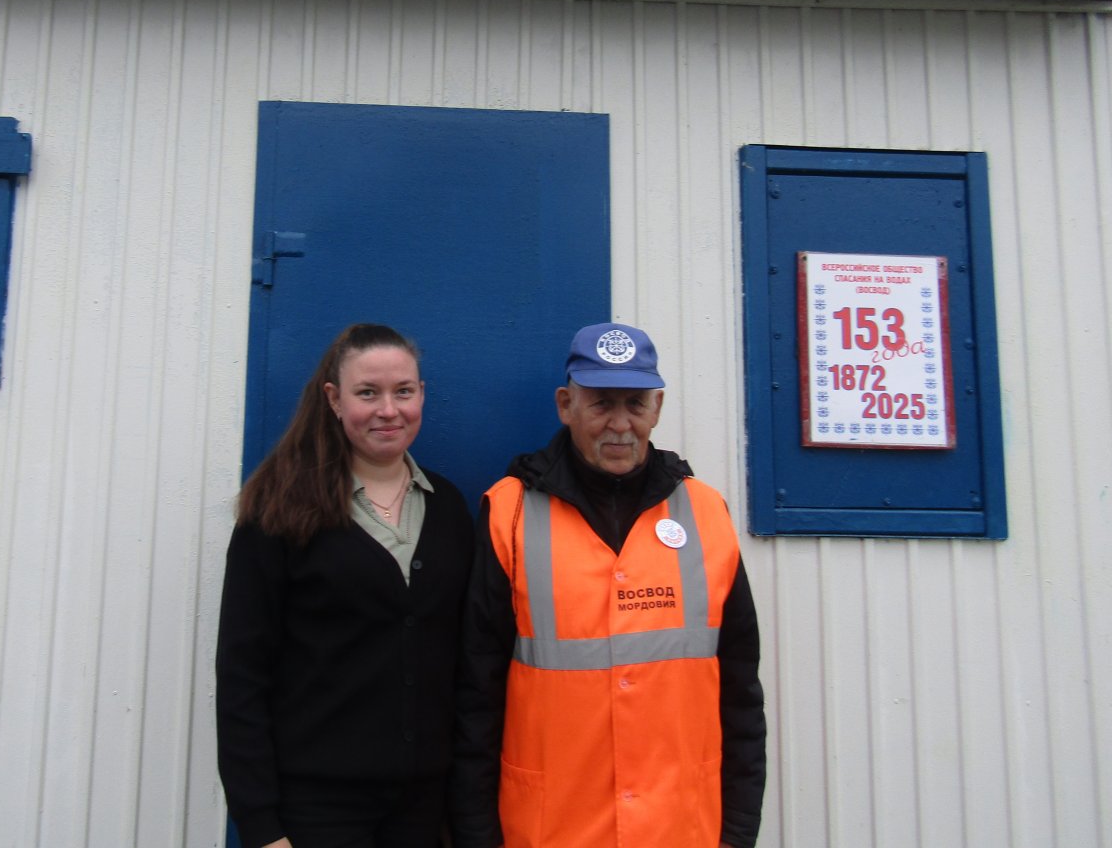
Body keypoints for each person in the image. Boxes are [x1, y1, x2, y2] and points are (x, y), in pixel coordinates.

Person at [451, 323, 765, 848]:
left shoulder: (706, 513)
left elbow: (740, 694)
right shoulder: (509, 513)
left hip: (680, 829)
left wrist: (736, 833)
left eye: (635, 404)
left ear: (657, 408)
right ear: (565, 405)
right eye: (600, 404)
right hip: (551, 830)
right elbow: (475, 697)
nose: (620, 424)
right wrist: (477, 835)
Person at [217, 323, 474, 848]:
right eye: (368, 393)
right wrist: (260, 825)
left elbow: (463, 663)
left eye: (404, 391)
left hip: (422, 809)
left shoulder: (448, 508)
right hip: (315, 809)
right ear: (334, 399)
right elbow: (243, 674)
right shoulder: (279, 509)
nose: (389, 410)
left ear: (422, 394)